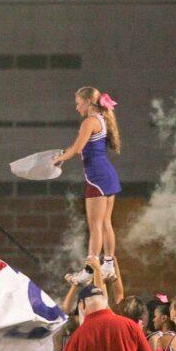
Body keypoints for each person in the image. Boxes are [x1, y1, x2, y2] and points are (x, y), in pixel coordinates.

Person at [53, 87, 122, 285]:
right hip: (107, 175)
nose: (77, 107)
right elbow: (78, 147)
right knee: (105, 223)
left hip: (97, 178)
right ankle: (107, 263)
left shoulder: (90, 121)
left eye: (78, 103)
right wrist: (63, 154)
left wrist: (57, 160)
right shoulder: (101, 119)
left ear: (88, 103)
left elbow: (77, 149)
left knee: (95, 226)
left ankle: (91, 268)